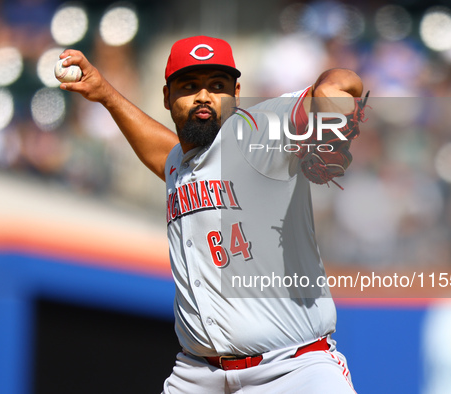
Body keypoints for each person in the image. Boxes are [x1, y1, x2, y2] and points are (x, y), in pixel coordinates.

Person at [58, 35, 364, 393]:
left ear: (236, 92)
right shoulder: (181, 164)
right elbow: (164, 154)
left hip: (291, 370)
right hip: (197, 376)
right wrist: (106, 94)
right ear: (166, 96)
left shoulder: (260, 133)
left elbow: (346, 81)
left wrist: (332, 86)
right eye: (190, 86)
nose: (204, 96)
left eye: (217, 86)